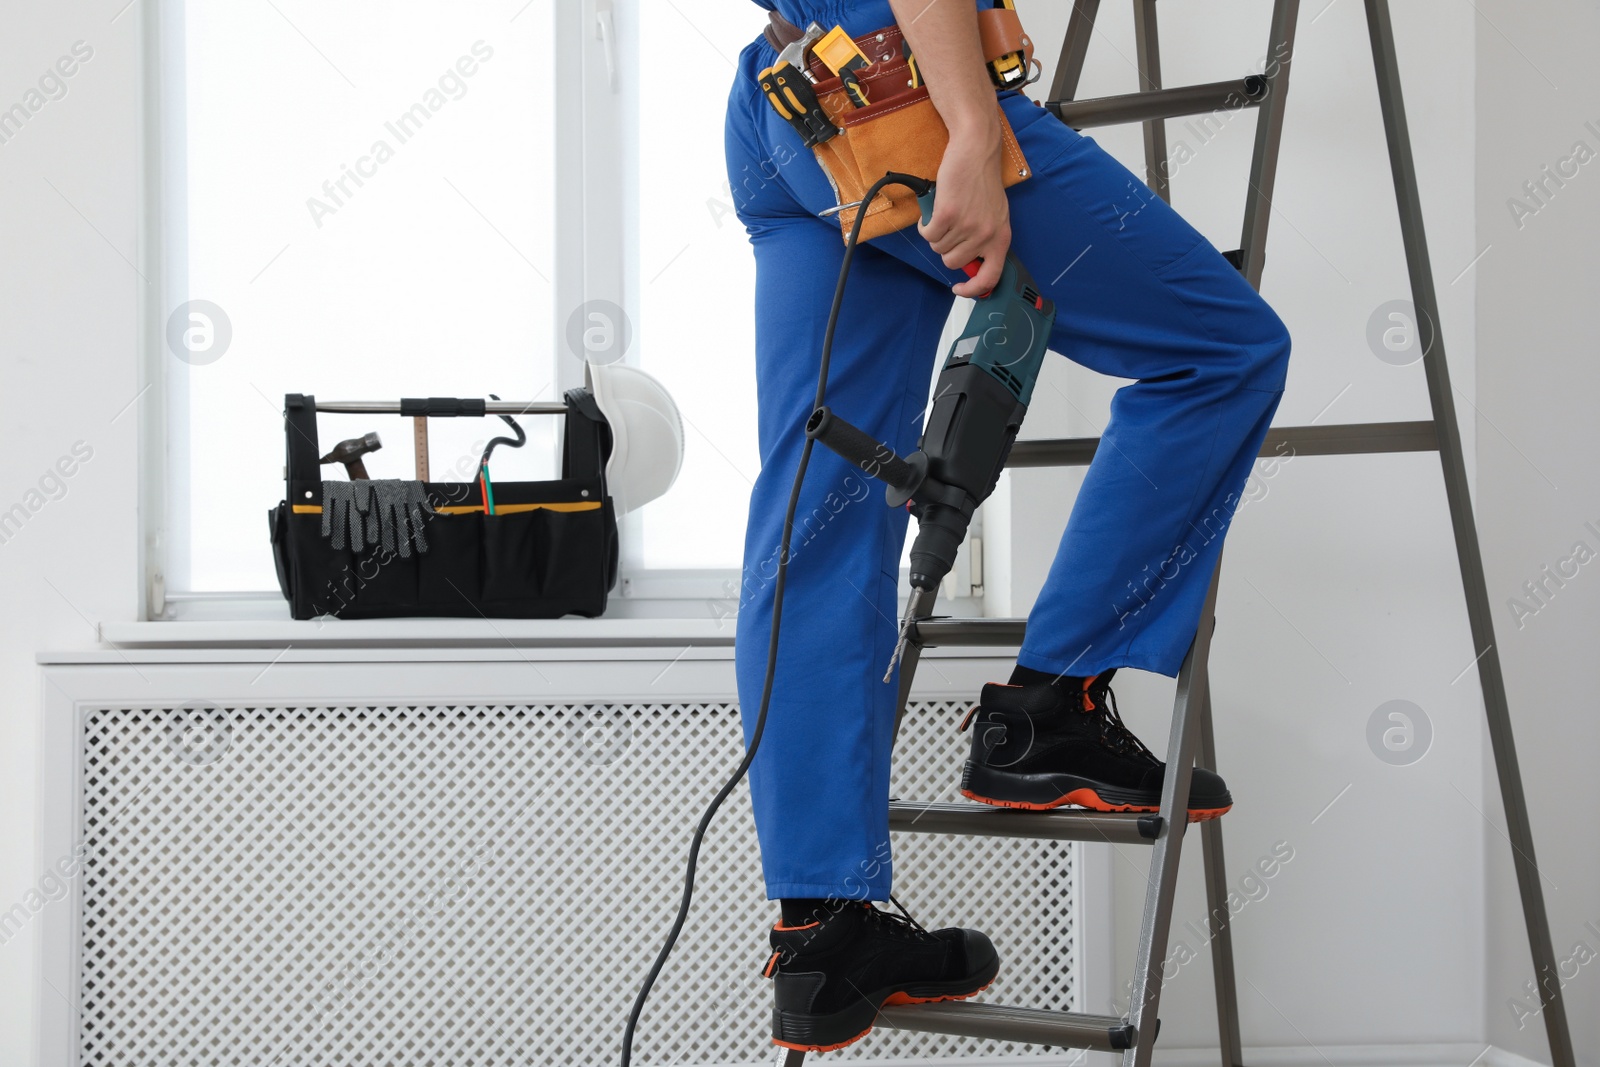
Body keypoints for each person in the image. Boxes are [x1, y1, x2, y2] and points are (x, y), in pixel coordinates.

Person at [726, 0, 1291, 1051]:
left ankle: (821, 929)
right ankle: (1051, 708)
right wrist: (977, 136)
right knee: (1223, 350)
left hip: (786, 105)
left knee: (817, 517)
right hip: (902, 99)